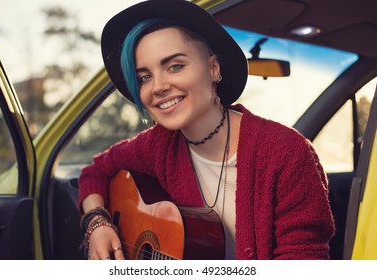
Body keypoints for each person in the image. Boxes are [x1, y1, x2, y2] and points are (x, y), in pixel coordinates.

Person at [78, 0, 335, 260]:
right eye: (144, 77)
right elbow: (94, 172)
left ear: (214, 68)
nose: (158, 87)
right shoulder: (159, 145)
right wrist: (98, 223)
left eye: (175, 66)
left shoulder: (287, 153)